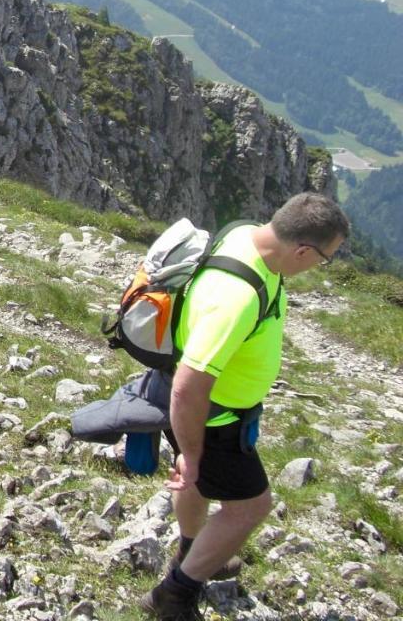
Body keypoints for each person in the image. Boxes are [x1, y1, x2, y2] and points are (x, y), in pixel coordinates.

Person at [142, 191, 350, 621]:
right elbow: (187, 388)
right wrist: (195, 452)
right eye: (325, 258)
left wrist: (191, 458)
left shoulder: (243, 233)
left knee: (193, 483)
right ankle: (175, 594)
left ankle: (193, 552)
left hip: (203, 412)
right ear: (303, 250)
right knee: (250, 507)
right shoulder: (235, 297)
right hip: (214, 418)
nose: (319, 266)